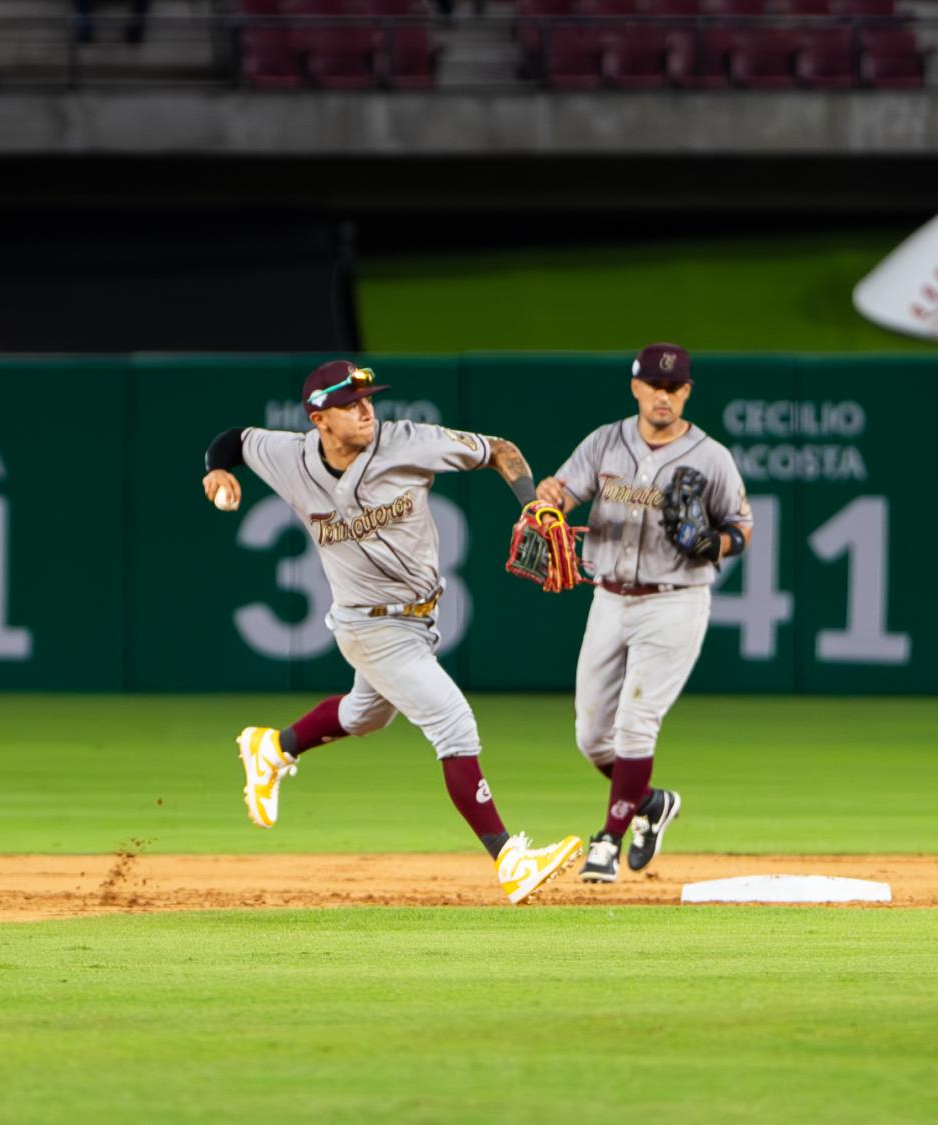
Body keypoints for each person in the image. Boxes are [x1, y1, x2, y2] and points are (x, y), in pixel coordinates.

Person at [201, 360, 585, 905]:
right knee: (453, 722)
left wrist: (534, 504)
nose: (365, 410)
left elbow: (503, 449)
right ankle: (511, 860)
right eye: (349, 403)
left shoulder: (408, 442)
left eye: (368, 399)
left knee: (365, 715)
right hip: (367, 625)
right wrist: (217, 469)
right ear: (319, 419)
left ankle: (272, 748)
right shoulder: (288, 456)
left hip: (419, 618)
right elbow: (233, 440)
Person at [535, 343, 753, 883]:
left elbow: (742, 528)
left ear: (687, 392)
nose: (664, 395)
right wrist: (549, 496)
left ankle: (607, 841)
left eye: (674, 387)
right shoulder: (605, 441)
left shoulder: (711, 456)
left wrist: (713, 543)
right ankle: (649, 803)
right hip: (608, 596)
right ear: (635, 387)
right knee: (591, 736)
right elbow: (563, 493)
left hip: (674, 600)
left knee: (636, 725)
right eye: (655, 386)